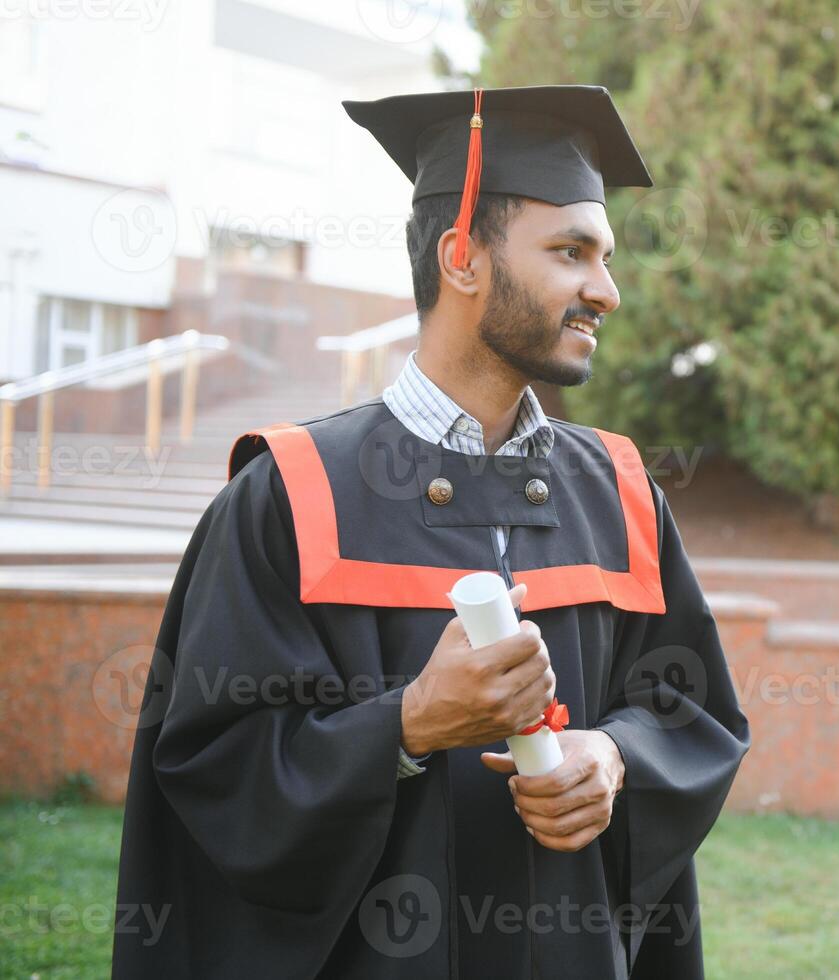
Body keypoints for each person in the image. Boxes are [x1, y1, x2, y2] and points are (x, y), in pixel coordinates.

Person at [112, 84, 750, 979]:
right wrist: (407, 727)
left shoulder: (620, 492)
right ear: (461, 258)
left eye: (605, 257)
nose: (605, 290)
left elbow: (690, 709)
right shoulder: (289, 495)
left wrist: (609, 755)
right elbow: (217, 772)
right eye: (571, 252)